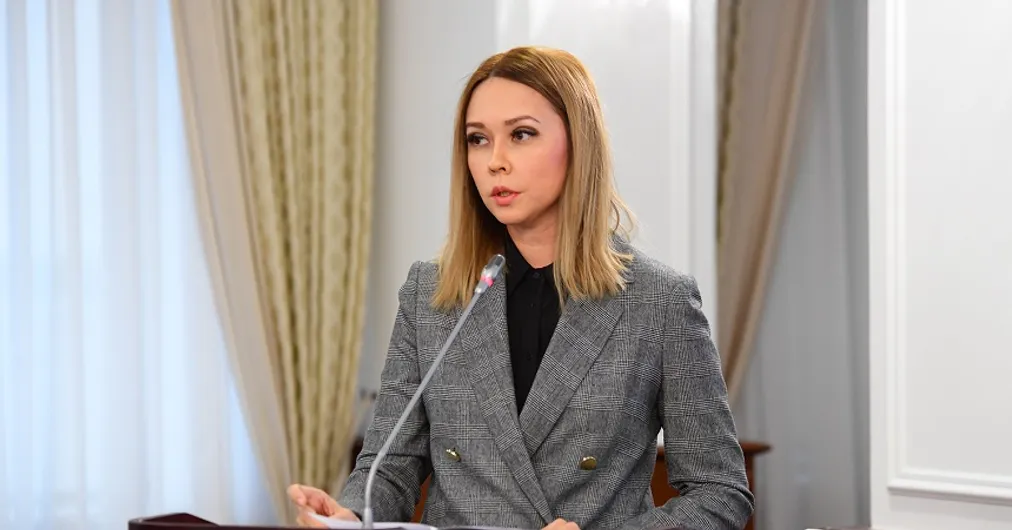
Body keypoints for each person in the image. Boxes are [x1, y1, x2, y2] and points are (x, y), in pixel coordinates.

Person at [288, 46, 754, 530]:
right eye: (478, 139)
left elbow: (719, 493)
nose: (495, 161)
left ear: (579, 141)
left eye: (521, 134)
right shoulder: (430, 292)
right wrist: (349, 516)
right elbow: (389, 468)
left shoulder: (660, 301)